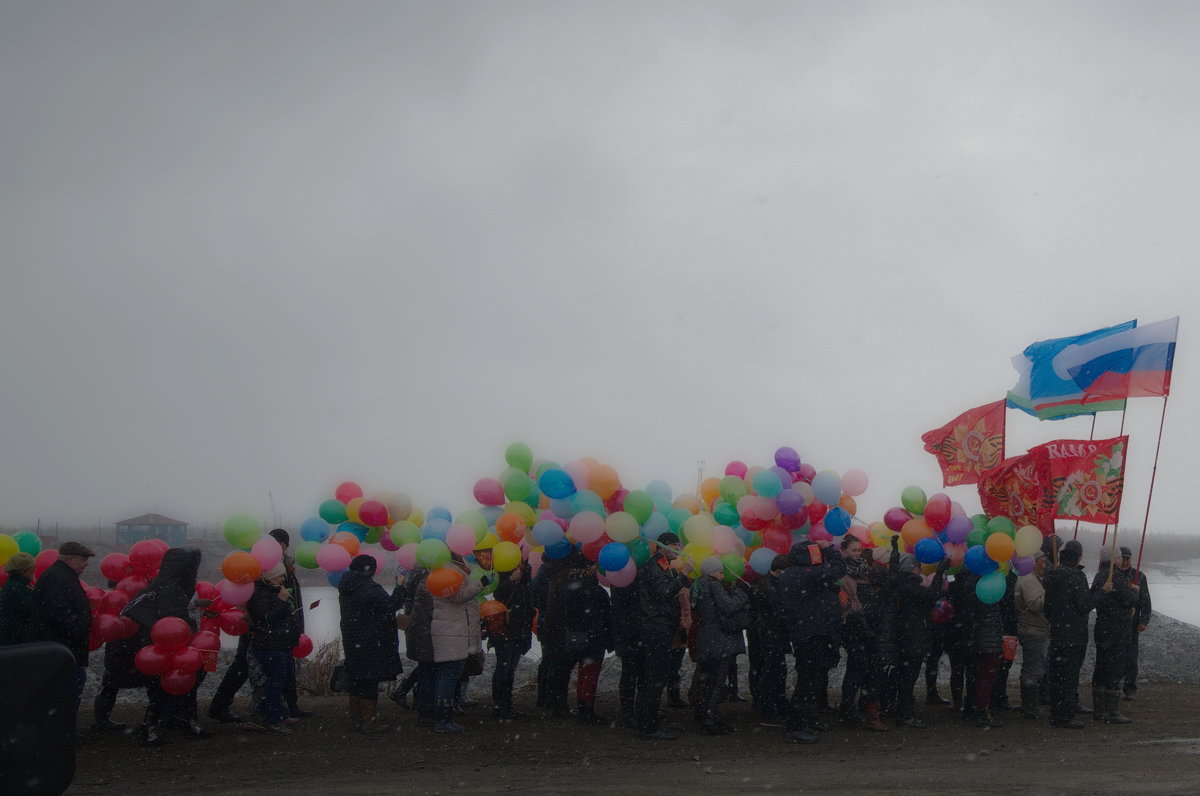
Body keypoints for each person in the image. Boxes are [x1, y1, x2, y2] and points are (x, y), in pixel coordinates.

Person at [120, 547, 208, 745]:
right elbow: (169, 616)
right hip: (163, 648)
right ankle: (151, 727)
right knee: (163, 688)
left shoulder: (168, 585)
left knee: (178, 684)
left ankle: (176, 720)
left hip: (168, 645)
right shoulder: (167, 587)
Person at [779, 538, 845, 743]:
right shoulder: (805, 574)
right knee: (807, 682)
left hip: (805, 632)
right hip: (811, 634)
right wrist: (830, 551)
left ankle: (807, 720)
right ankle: (795, 726)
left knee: (811, 680)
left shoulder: (790, 574)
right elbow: (839, 570)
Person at [338, 554, 407, 733]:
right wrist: (400, 586)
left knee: (357, 680)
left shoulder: (347, 586)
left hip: (353, 640)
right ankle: (368, 722)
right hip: (372, 642)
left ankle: (357, 719)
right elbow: (391, 605)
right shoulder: (369, 588)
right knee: (369, 681)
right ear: (371, 570)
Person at [886, 537, 946, 729]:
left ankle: (894, 708)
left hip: (902, 637)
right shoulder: (912, 588)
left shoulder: (896, 583)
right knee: (908, 679)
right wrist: (940, 572)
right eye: (918, 566)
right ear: (913, 568)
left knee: (899, 677)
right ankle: (904, 715)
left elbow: (893, 571)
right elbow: (933, 594)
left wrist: (894, 551)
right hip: (914, 639)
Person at [634, 537, 690, 740]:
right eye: (675, 546)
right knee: (655, 677)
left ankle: (647, 720)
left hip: (661, 626)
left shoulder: (664, 566)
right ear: (662, 547)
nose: (679, 550)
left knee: (656, 676)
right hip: (656, 627)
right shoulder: (654, 567)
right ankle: (648, 726)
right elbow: (665, 593)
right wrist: (684, 575)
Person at [1044, 540, 1103, 729]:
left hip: (1057, 632)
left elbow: (1047, 608)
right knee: (1069, 676)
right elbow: (1085, 605)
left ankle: (1056, 712)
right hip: (1074, 634)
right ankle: (1066, 715)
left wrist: (1058, 620)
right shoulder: (1076, 577)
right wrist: (1102, 592)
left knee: (1057, 674)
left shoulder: (1051, 575)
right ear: (1077, 558)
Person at [421, 555, 482, 733]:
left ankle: (439, 715)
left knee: (447, 674)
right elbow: (457, 596)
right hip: (452, 630)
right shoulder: (447, 571)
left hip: (451, 629)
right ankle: (443, 718)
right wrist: (481, 583)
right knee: (448, 675)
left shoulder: (445, 568)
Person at [30, 541, 95, 705]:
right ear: (71, 559)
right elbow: (58, 612)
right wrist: (79, 628)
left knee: (68, 686)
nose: (86, 563)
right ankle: (60, 727)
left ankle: (61, 725)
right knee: (66, 689)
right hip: (62, 648)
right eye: (83, 559)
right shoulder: (58, 578)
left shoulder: (62, 576)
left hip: (62, 647)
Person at [691, 557, 749, 734]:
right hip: (719, 639)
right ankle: (710, 720)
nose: (723, 576)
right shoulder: (713, 584)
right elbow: (728, 606)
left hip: (706, 638)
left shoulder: (697, 584)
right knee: (716, 681)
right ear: (713, 571)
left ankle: (705, 715)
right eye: (721, 572)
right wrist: (741, 594)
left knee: (708, 679)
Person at [245, 560, 302, 734]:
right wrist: (282, 600)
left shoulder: (272, 591)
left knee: (282, 681)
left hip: (280, 643)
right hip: (269, 644)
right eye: (279, 576)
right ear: (268, 578)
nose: (283, 580)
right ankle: (271, 718)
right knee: (274, 682)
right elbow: (267, 618)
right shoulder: (259, 594)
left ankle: (278, 715)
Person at [560, 555, 613, 725]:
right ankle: (586, 709)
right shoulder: (596, 591)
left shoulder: (568, 587)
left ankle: (574, 705)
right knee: (589, 674)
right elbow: (607, 615)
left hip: (575, 635)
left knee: (577, 673)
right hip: (594, 637)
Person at [1090, 546, 1138, 724]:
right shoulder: (1115, 576)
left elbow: (1095, 598)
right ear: (1115, 559)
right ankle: (1112, 711)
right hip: (1117, 630)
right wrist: (1134, 590)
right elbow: (1129, 598)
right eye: (1118, 557)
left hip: (1102, 627)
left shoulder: (1098, 575)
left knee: (1101, 666)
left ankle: (1099, 710)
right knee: (1115, 668)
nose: (1121, 560)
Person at [270, 529, 312, 718]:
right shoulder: (271, 569)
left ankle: (290, 705)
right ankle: (279, 708)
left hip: (289, 622)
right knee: (278, 671)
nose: (279, 547)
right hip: (276, 626)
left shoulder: (286, 567)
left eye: (282, 544)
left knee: (288, 668)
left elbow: (294, 598)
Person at [489, 559, 533, 721]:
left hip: (518, 629)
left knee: (510, 668)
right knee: (504, 667)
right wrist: (510, 581)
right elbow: (497, 593)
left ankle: (506, 705)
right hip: (505, 629)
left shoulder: (523, 580)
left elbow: (527, 602)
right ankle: (499, 706)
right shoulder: (500, 575)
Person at [750, 554, 790, 727]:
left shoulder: (766, 583)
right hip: (770, 634)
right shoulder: (769, 587)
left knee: (775, 670)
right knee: (773, 671)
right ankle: (769, 708)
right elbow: (777, 612)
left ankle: (774, 705)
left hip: (770, 634)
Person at [962, 570, 1004, 728]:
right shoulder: (988, 587)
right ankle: (981, 711)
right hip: (988, 639)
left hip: (976, 639)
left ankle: (972, 708)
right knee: (986, 676)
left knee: (975, 675)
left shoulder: (969, 583)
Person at [838, 537, 870, 725]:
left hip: (866, 621)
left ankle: (860, 704)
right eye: (853, 550)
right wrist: (852, 606)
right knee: (856, 665)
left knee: (864, 665)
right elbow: (842, 599)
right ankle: (847, 708)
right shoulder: (841, 572)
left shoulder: (864, 569)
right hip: (851, 622)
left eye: (859, 550)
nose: (857, 554)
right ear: (844, 550)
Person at [1014, 552, 1049, 719]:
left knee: (1033, 667)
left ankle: (1030, 705)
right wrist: (1052, 596)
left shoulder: (1031, 579)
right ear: (1033, 562)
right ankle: (1029, 708)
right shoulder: (1029, 580)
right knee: (1033, 669)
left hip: (1033, 628)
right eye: (1042, 562)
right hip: (1032, 630)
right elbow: (1034, 604)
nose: (1045, 565)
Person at [1116, 547, 1151, 700]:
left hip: (1132, 624)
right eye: (1122, 558)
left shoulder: (1139, 577)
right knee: (1115, 655)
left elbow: (1146, 601)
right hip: (1115, 623)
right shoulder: (1113, 575)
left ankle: (1130, 688)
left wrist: (1144, 620)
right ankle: (1113, 685)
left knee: (1131, 657)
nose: (1125, 561)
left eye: (1127, 558)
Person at [610, 570, 644, 728]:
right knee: (630, 674)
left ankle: (636, 709)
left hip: (634, 633)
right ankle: (629, 711)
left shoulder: (623, 580)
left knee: (636, 674)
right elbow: (622, 609)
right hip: (630, 634)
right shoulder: (623, 581)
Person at [0, 552, 36, 646]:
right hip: (17, 642)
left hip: (9, 640)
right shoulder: (20, 590)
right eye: (32, 569)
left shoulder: (10, 585)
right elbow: (33, 613)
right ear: (24, 571)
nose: (34, 571)